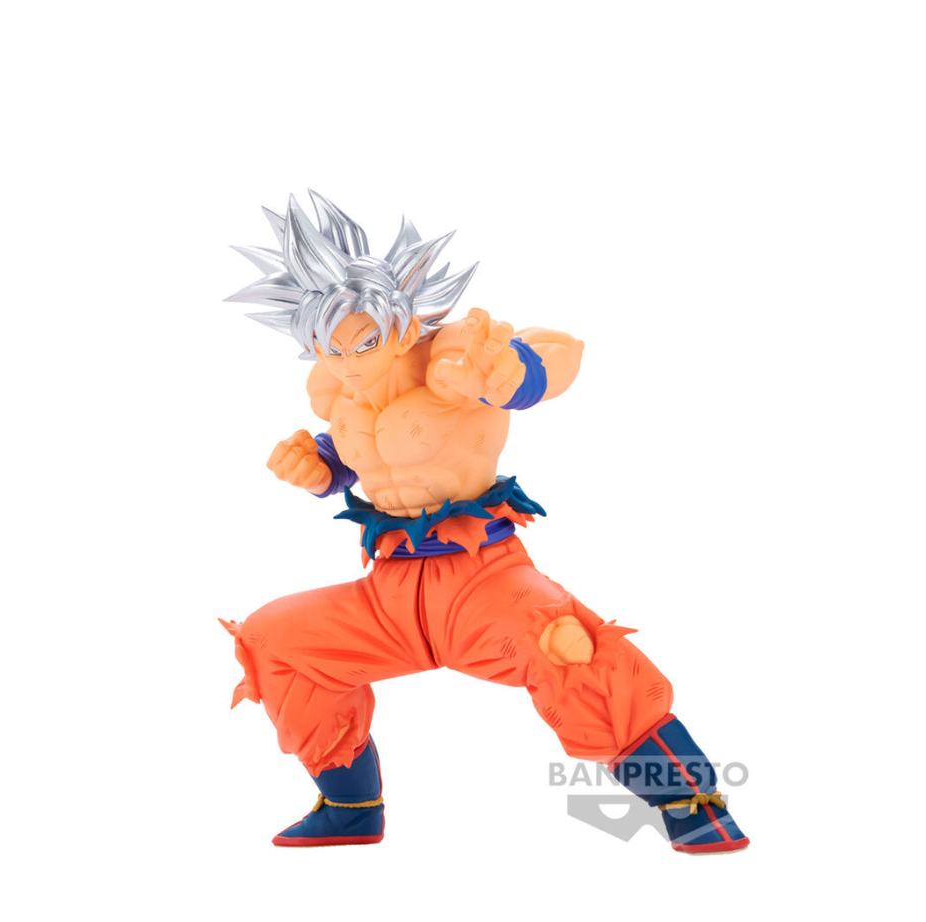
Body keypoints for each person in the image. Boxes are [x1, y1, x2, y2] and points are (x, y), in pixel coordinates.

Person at [221, 190, 749, 854]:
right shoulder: (338, 387)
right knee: (275, 638)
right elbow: (360, 455)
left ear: (398, 323)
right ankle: (349, 808)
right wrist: (316, 467)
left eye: (362, 341)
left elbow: (556, 353)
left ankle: (691, 801)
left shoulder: (453, 359)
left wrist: (513, 372)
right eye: (328, 345)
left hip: (483, 582)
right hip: (389, 593)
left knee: (572, 649)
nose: (347, 360)